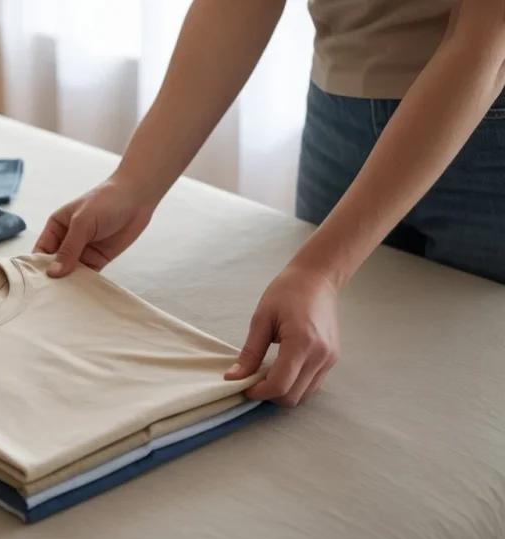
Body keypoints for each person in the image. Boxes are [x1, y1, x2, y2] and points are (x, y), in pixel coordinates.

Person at [33, 0, 505, 407]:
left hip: (487, 115)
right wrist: (134, 182)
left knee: (471, 390)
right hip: (340, 101)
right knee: (327, 372)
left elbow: (488, 39)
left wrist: (320, 270)